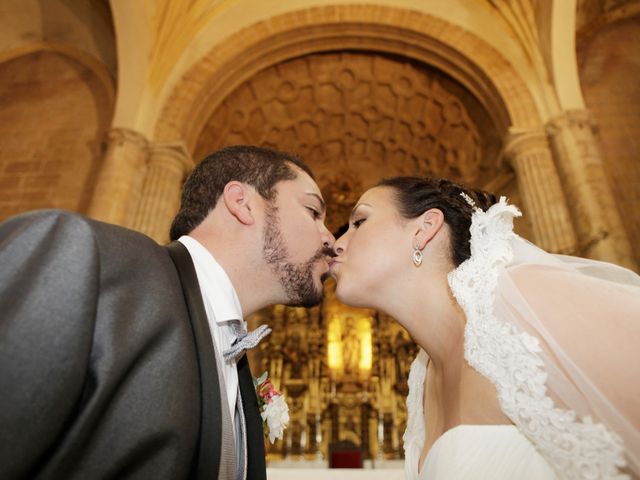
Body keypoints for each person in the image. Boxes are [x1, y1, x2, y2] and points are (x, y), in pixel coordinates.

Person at [0, 145, 335, 480]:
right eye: (313, 211)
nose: (329, 238)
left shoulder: (236, 360)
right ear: (242, 202)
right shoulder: (85, 263)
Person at [330, 176, 640, 479]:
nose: (336, 244)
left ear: (424, 229)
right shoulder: (423, 376)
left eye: (359, 222)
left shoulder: (521, 304)